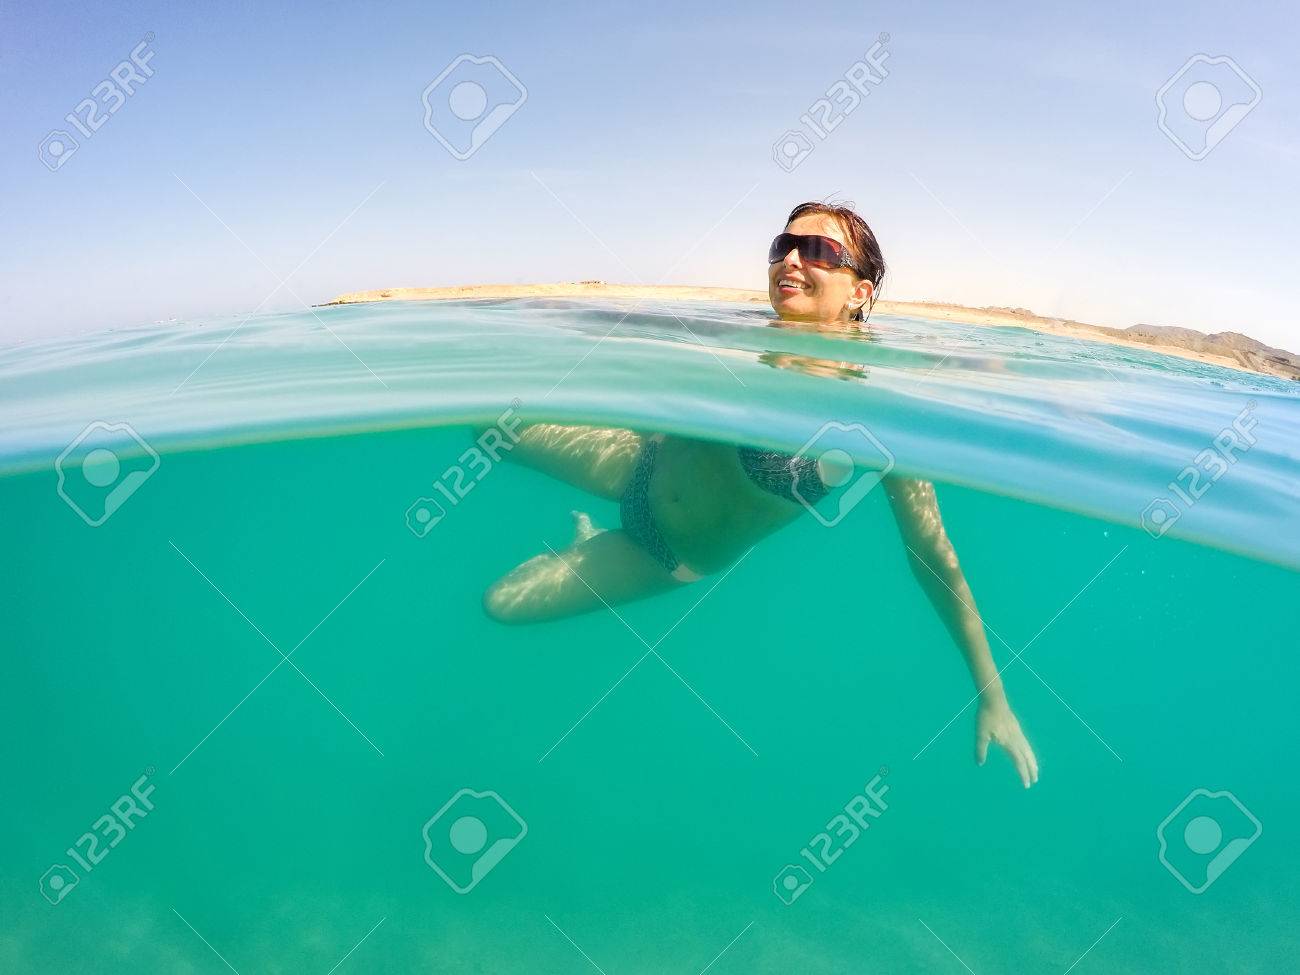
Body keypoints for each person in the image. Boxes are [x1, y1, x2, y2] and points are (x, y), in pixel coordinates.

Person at [482, 201, 1039, 788]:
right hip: (634, 464)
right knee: (492, 424)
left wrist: (992, 694)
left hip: (664, 554)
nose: (793, 259)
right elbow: (634, 329)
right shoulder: (738, 335)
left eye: (820, 251)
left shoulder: (880, 409)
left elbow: (932, 553)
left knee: (503, 603)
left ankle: (593, 545)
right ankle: (586, 536)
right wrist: (553, 309)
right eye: (783, 246)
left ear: (859, 291)